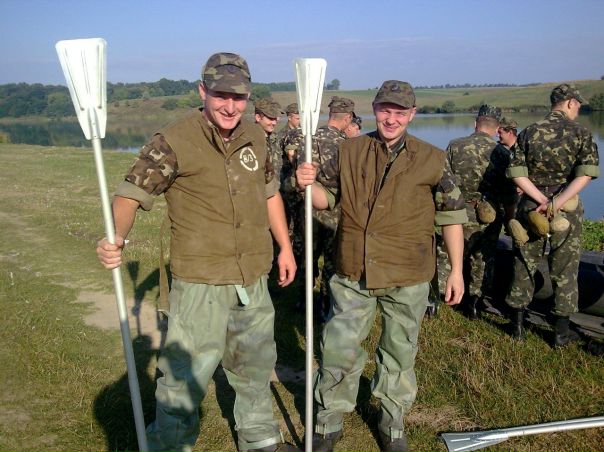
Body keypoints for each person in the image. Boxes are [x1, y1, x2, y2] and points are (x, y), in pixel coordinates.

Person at [96, 52, 299, 452]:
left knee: (255, 364)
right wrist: (116, 237)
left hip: (252, 274)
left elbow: (270, 194)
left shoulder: (256, 136)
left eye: (239, 98)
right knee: (185, 373)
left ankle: (259, 438)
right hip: (200, 280)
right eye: (221, 95)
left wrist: (286, 249)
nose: (230, 106)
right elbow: (129, 195)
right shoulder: (173, 140)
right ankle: (171, 444)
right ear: (203, 91)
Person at [296, 81, 467, 452]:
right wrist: (308, 185)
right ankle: (328, 419)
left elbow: (452, 217)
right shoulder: (349, 150)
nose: (391, 118)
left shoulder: (433, 158)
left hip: (408, 272)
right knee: (339, 346)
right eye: (385, 110)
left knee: (399, 351)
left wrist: (456, 270)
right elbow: (327, 199)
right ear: (374, 109)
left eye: (400, 112)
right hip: (353, 269)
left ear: (412, 114)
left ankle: (392, 421)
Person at [505, 83, 599, 346]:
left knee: (524, 260)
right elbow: (586, 174)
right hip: (565, 208)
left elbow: (516, 174)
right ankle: (560, 332)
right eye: (578, 105)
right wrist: (556, 202)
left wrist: (541, 200)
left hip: (530, 206)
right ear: (570, 102)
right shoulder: (581, 132)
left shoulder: (529, 132)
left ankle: (517, 326)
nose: (578, 110)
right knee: (565, 265)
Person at [443, 105, 517, 319]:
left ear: (475, 124)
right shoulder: (502, 153)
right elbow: (509, 192)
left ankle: (444, 297)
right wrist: (510, 218)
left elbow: (443, 181)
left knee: (449, 253)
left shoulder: (455, 145)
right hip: (489, 212)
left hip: (457, 209)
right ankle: (475, 303)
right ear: (497, 128)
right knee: (483, 257)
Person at [296, 96, 355, 321]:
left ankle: (303, 299)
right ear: (347, 118)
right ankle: (326, 304)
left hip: (309, 207)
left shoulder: (309, 138)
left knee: (308, 256)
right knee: (331, 259)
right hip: (334, 211)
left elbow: (300, 172)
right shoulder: (346, 144)